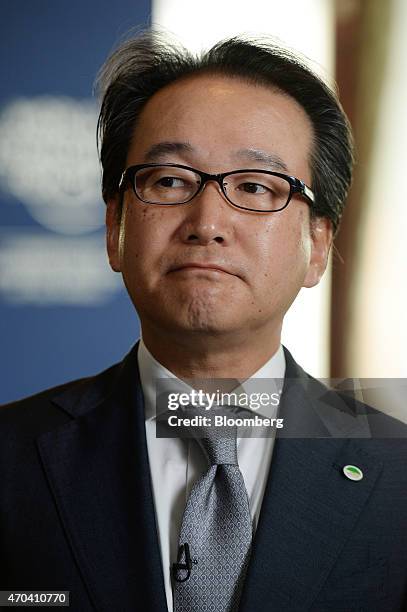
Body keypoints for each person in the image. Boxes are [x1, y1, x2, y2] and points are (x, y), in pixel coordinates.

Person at [1, 30, 406, 612]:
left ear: (317, 246)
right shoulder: (13, 458)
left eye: (255, 186)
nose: (207, 221)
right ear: (115, 227)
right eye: (170, 181)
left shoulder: (398, 473)